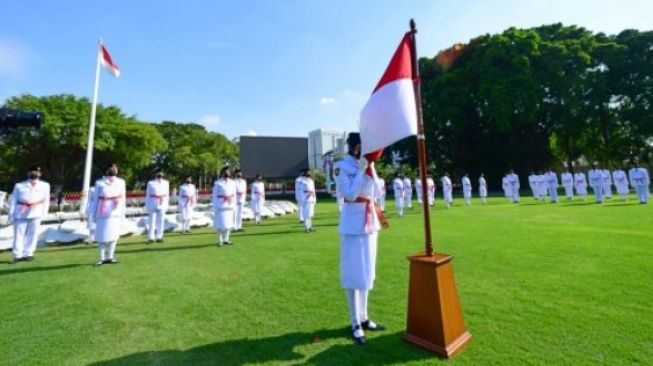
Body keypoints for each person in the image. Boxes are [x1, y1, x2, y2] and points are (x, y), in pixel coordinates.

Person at [335, 132, 386, 345]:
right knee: (353, 274)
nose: (362, 151)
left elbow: (377, 192)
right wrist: (362, 170)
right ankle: (355, 322)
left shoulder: (369, 164)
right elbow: (349, 194)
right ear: (353, 147)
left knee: (367, 273)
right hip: (353, 225)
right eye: (360, 147)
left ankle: (364, 318)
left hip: (369, 224)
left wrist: (371, 170)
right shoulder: (341, 166)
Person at [8, 166, 51, 264]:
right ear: (28, 173)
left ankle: (29, 253)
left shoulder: (45, 185)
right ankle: (17, 255)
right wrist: (11, 214)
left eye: (36, 172)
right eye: (32, 171)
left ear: (40, 174)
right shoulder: (19, 185)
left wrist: (44, 213)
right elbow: (14, 200)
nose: (34, 173)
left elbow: (46, 200)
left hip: (36, 212)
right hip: (21, 213)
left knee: (33, 234)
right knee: (18, 235)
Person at [88, 164, 126, 265]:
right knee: (101, 236)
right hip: (102, 212)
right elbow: (96, 199)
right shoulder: (100, 183)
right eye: (111, 168)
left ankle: (110, 256)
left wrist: (123, 213)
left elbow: (123, 199)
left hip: (115, 212)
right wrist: (94, 214)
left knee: (114, 236)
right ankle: (101, 257)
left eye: (115, 168)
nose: (113, 170)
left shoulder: (121, 182)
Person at [213, 166, 236, 246]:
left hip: (229, 205)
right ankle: (220, 240)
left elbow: (234, 195)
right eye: (226, 171)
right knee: (219, 224)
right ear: (222, 173)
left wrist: (234, 205)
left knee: (228, 224)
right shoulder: (218, 183)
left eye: (228, 171)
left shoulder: (233, 182)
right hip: (220, 206)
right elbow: (214, 195)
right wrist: (215, 206)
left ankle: (226, 239)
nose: (227, 173)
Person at [145, 169, 169, 243]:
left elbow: (167, 194)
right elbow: (148, 195)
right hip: (153, 203)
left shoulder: (166, 183)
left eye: (161, 173)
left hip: (162, 203)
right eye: (158, 173)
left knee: (161, 221)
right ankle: (151, 238)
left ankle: (159, 236)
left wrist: (166, 204)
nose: (160, 174)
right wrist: (147, 205)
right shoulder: (151, 183)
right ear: (156, 174)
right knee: (152, 221)